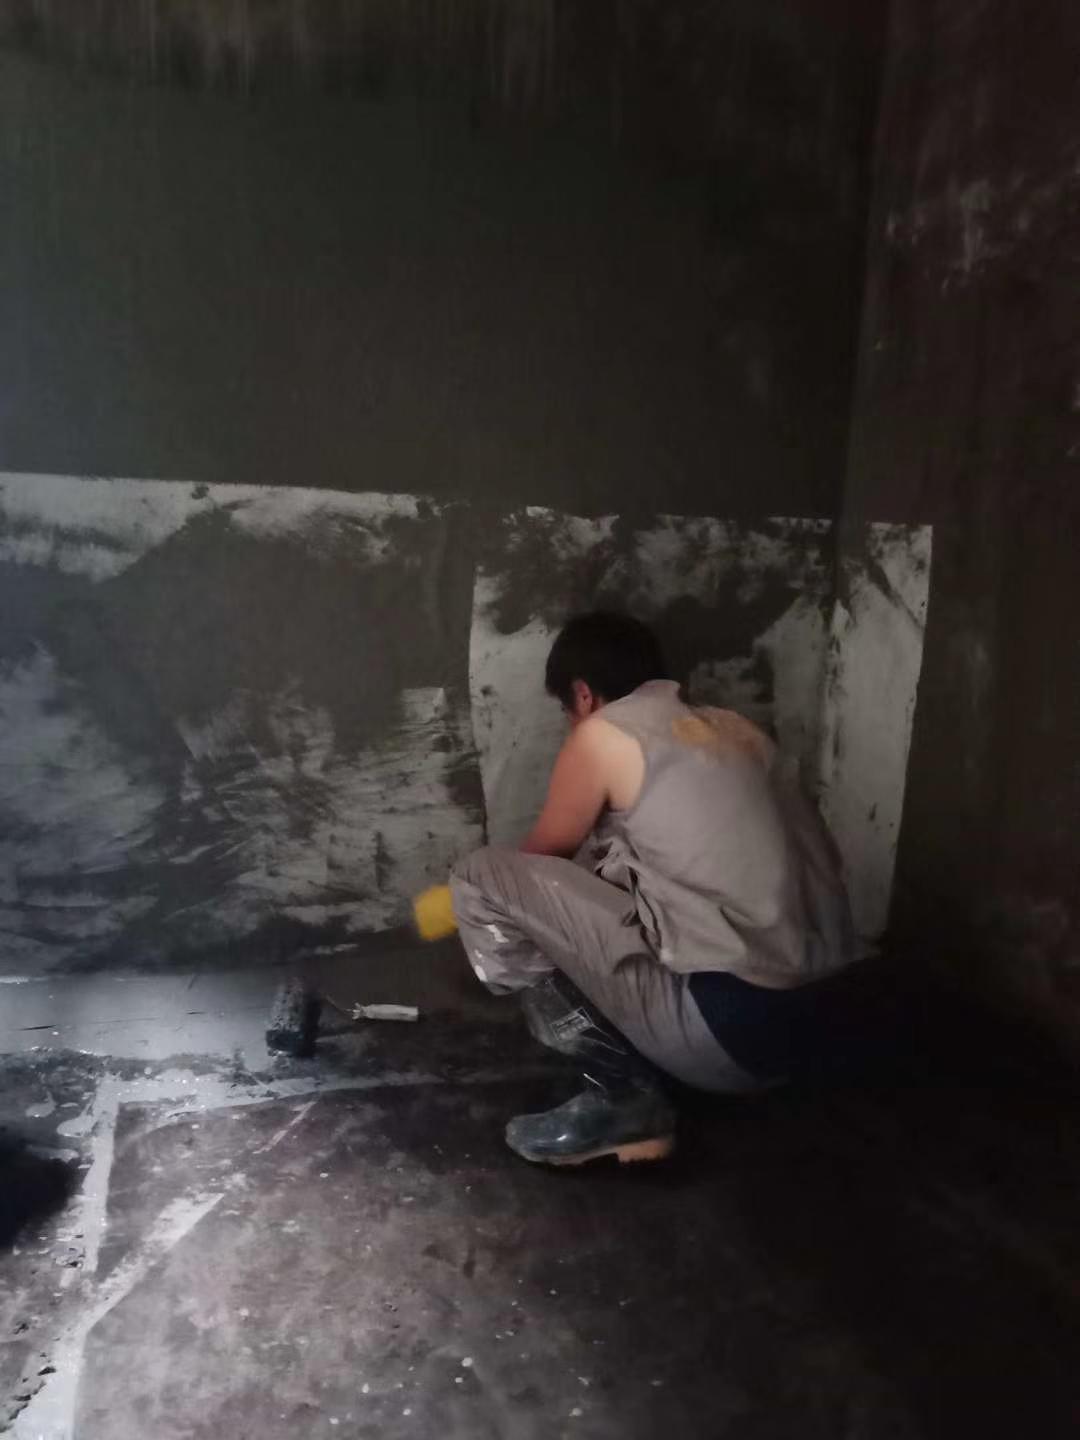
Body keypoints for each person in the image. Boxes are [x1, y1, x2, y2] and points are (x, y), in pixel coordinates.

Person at [450, 611, 855, 1167]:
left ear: (583, 695)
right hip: (821, 1027)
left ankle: (622, 1099)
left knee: (481, 877)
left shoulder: (602, 734)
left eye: (566, 711)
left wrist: (469, 919)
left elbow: (537, 866)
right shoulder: (735, 730)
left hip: (729, 1041)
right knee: (608, 877)